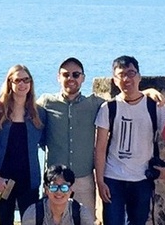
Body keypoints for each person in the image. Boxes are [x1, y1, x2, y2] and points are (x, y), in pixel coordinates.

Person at [94, 55, 165, 225]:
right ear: (115, 80)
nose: (126, 79)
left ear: (139, 76)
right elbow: (100, 148)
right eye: (121, 75)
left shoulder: (154, 106)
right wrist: (100, 181)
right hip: (113, 177)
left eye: (131, 73)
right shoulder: (108, 108)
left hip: (141, 178)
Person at [38, 57, 106, 221]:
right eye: (66, 74)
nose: (71, 79)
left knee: (86, 220)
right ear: (58, 77)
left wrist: (149, 92)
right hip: (54, 181)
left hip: (84, 179)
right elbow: (21, 109)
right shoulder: (46, 103)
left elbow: (123, 102)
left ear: (83, 78)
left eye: (76, 74)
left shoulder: (94, 104)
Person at [0, 64, 48, 225]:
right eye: (17, 80)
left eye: (26, 80)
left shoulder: (39, 113)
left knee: (31, 222)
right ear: (10, 83)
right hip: (3, 180)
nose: (22, 84)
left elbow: (46, 143)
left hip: (29, 180)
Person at [21, 165, 97, 225]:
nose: (59, 192)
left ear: (71, 190)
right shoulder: (33, 214)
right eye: (54, 187)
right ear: (46, 189)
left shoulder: (81, 214)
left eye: (64, 187)